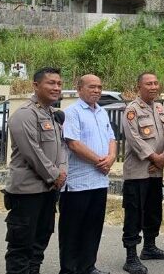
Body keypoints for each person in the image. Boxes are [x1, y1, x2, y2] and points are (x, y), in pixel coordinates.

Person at [3, 67, 67, 274]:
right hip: (27, 192)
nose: (56, 87)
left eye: (59, 83)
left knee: (40, 242)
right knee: (21, 246)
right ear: (36, 85)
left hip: (48, 190)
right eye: (51, 83)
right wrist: (56, 175)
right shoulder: (24, 115)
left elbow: (62, 147)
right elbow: (33, 153)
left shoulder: (52, 114)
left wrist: (63, 170)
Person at [58, 74, 116, 274]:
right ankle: (69, 269)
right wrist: (100, 161)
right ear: (79, 89)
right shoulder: (72, 112)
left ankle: (87, 266)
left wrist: (111, 158)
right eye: (92, 87)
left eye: (99, 87)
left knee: (93, 227)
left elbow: (112, 138)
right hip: (77, 183)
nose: (97, 90)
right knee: (72, 229)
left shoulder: (102, 112)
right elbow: (73, 143)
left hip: (99, 181)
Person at [121, 72, 164, 274]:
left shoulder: (159, 107)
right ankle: (131, 257)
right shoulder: (132, 110)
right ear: (139, 87)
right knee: (134, 214)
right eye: (148, 84)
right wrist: (154, 157)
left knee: (153, 211)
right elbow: (133, 138)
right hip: (138, 172)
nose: (153, 87)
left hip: (156, 171)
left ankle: (149, 248)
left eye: (155, 83)